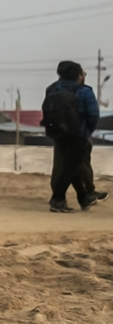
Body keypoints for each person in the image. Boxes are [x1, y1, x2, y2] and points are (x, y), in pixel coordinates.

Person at [42, 61, 105, 212]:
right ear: (78, 74)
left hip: (57, 133)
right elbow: (93, 115)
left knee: (71, 166)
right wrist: (86, 131)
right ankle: (57, 199)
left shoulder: (51, 89)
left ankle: (83, 198)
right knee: (70, 167)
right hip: (78, 134)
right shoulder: (84, 91)